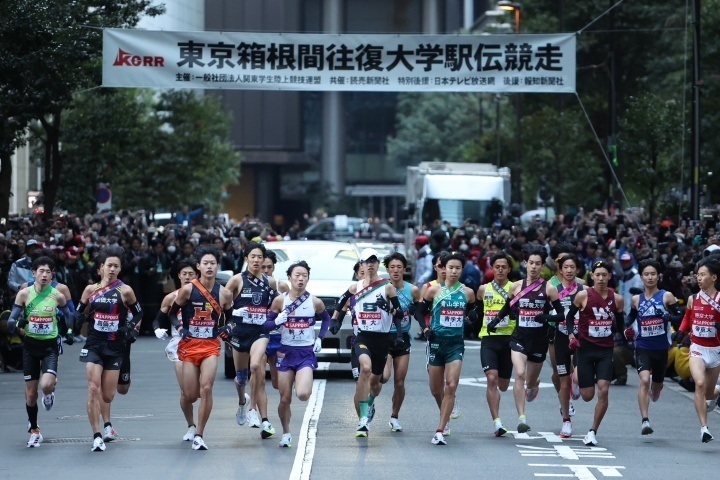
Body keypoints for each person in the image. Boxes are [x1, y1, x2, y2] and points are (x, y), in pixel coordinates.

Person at [488, 244, 563, 434]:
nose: (534, 267)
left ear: (542, 266)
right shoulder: (516, 286)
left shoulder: (549, 289)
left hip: (539, 341)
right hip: (519, 338)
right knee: (519, 374)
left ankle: (534, 383)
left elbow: (561, 315)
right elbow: (508, 307)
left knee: (529, 381)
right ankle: (522, 417)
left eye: (538, 264)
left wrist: (545, 318)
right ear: (525, 263)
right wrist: (495, 321)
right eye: (531, 263)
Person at [75, 246, 142, 452]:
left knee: (108, 395)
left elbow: (139, 313)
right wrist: (72, 328)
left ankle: (105, 424)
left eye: (116, 266)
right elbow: (79, 313)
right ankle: (97, 435)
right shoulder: (90, 290)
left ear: (120, 269)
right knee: (93, 388)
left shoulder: (126, 291)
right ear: (101, 268)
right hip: (94, 344)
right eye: (109, 266)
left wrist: (130, 329)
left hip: (115, 346)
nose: (112, 269)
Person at [332, 248, 404, 438]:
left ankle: (369, 403)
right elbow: (341, 302)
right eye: (367, 262)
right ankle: (362, 420)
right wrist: (335, 321)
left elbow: (400, 313)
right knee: (365, 369)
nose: (370, 265)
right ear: (361, 265)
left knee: (376, 384)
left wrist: (389, 311)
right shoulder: (355, 287)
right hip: (362, 337)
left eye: (373, 261)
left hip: (381, 339)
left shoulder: (387, 287)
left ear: (377, 264)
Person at [169, 246, 233, 450]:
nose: (209, 267)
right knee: (190, 395)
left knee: (206, 388)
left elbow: (231, 318)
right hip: (189, 345)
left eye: (212, 263)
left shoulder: (224, 294)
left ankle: (199, 434)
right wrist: (180, 327)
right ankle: (191, 423)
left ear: (217, 266)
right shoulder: (188, 290)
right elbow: (171, 313)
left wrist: (227, 328)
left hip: (210, 346)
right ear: (199, 266)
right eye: (205, 263)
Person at [262, 261, 331, 447]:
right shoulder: (280, 301)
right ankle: (286, 432)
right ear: (290, 278)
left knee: (302, 394)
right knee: (284, 398)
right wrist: (277, 320)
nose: (300, 279)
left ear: (308, 278)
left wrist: (320, 338)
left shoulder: (315, 301)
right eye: (297, 275)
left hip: (305, 352)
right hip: (285, 352)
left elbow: (326, 319)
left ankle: (300, 382)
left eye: (304, 276)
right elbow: (266, 326)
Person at [7, 256, 73, 447]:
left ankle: (50, 392)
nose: (44, 275)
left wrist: (68, 332)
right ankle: (35, 430)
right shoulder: (24, 294)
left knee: (45, 385)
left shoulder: (57, 295)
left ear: (53, 275)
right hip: (30, 347)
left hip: (49, 346)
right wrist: (20, 322)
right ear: (33, 273)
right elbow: (11, 321)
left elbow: (68, 315)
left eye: (48, 272)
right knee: (30, 394)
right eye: (41, 271)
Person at [415, 252, 477, 445]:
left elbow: (475, 312)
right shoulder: (433, 291)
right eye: (450, 267)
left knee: (451, 385)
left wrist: (471, 319)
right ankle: (445, 410)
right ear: (443, 268)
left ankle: (440, 429)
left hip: (455, 344)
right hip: (436, 343)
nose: (453, 271)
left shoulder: (467, 292)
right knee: (436, 389)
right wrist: (425, 329)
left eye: (458, 268)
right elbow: (418, 312)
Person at [565, 260, 625, 446]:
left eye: (604, 275)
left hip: (605, 351)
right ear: (592, 276)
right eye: (597, 275)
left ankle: (592, 431)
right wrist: (571, 335)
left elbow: (620, 325)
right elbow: (568, 317)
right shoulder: (583, 296)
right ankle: (575, 381)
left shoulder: (617, 299)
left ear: (609, 277)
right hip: (585, 349)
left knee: (604, 390)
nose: (600, 279)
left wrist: (625, 333)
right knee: (587, 395)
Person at [224, 242, 278, 438]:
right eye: (253, 256)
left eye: (260, 257)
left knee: (256, 367)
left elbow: (274, 307)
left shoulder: (270, 282)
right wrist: (234, 312)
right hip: (240, 333)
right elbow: (223, 306)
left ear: (264, 259)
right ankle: (241, 401)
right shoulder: (236, 280)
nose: (256, 260)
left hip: (259, 332)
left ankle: (252, 411)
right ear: (246, 258)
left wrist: (275, 319)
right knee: (242, 378)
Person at [623, 259, 682, 436]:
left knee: (656, 386)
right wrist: (627, 331)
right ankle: (645, 420)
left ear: (658, 276)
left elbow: (679, 318)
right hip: (643, 347)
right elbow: (629, 321)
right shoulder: (636, 300)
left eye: (653, 274)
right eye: (646, 274)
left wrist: (667, 317)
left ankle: (656, 391)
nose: (650, 277)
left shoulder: (666, 296)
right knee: (644, 380)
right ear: (641, 277)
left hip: (661, 349)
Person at [152, 258, 198, 441]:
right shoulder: (171, 297)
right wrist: (157, 329)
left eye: (191, 274)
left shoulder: (204, 295)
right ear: (179, 275)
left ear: (197, 275)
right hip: (179, 344)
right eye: (184, 274)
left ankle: (200, 429)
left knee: (203, 389)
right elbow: (157, 319)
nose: (187, 277)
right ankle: (191, 426)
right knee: (187, 392)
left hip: (202, 342)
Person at [676, 256, 720, 443]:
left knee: (709, 393)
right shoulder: (693, 299)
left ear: (714, 277)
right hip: (697, 348)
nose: (699, 278)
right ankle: (704, 428)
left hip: (715, 350)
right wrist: (679, 333)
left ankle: (716, 391)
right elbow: (687, 319)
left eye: (703, 275)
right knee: (699, 384)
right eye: (698, 275)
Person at [476, 252, 516, 437]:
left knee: (503, 385)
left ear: (509, 269)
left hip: (509, 339)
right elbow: (478, 309)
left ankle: (533, 381)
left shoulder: (515, 289)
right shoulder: (483, 289)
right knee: (491, 378)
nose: (500, 269)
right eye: (497, 266)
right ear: (492, 268)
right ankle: (497, 422)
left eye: (504, 267)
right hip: (489, 339)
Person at [381, 253, 421, 433]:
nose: (396, 270)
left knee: (399, 381)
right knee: (383, 377)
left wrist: (416, 310)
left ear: (404, 269)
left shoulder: (412, 290)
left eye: (399, 267)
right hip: (384, 337)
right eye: (392, 267)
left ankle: (394, 417)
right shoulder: (382, 288)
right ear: (387, 270)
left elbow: (420, 311)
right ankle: (371, 401)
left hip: (403, 337)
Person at [548, 254, 584, 438]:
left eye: (573, 267)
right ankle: (566, 421)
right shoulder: (553, 290)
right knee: (564, 381)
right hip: (561, 337)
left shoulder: (584, 290)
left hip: (581, 339)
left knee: (577, 377)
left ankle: (577, 385)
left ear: (577, 269)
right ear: (560, 270)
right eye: (566, 267)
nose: (569, 271)